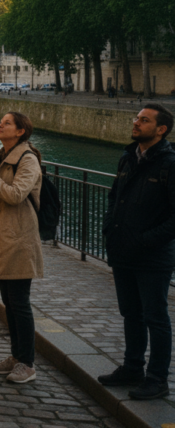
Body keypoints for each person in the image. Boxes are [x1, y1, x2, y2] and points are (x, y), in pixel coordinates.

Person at [98, 104, 175, 400]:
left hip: (153, 255)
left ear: (161, 129)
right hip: (123, 249)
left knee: (156, 317)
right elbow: (114, 197)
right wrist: (110, 229)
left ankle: (157, 378)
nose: (136, 123)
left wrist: (146, 240)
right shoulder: (128, 157)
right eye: (136, 118)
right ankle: (132, 367)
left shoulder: (169, 163)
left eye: (144, 120)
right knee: (131, 313)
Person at [0, 112, 43, 384]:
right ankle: (16, 357)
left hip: (18, 240)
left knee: (20, 303)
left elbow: (15, 195)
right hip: (1, 237)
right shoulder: (2, 157)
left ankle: (27, 363)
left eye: (6, 123)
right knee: (10, 304)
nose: (0, 125)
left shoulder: (28, 159)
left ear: (20, 132)